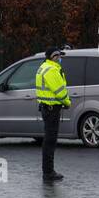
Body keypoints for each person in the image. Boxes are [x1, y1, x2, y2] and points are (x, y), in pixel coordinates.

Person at [35, 46, 71, 182]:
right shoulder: (52, 70)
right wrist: (67, 102)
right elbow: (60, 91)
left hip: (46, 107)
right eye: (59, 56)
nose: (60, 59)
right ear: (54, 57)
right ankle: (48, 172)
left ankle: (48, 171)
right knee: (50, 141)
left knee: (48, 140)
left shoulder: (43, 67)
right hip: (51, 109)